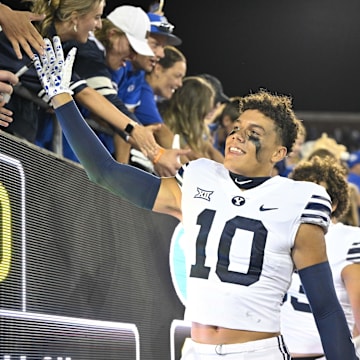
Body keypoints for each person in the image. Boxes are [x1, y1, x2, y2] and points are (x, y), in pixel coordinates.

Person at [33, 37, 359, 360]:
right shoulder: (200, 176)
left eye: (254, 134)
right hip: (195, 350)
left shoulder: (299, 199)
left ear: (278, 152)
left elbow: (327, 309)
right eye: (238, 127)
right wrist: (63, 100)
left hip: (257, 353)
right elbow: (104, 172)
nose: (238, 136)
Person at [0, 0, 162, 164]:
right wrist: (133, 128)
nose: (99, 25)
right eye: (97, 17)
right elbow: (84, 92)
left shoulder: (52, 44)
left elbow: (77, 89)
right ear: (75, 18)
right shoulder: (32, 38)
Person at [280, 155, 360, 359]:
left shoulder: (350, 240)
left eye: (316, 194)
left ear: (333, 204)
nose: (307, 201)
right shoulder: (276, 234)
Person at [159, 76, 224, 163]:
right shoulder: (164, 128)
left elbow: (209, 151)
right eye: (203, 113)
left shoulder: (196, 132)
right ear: (194, 110)